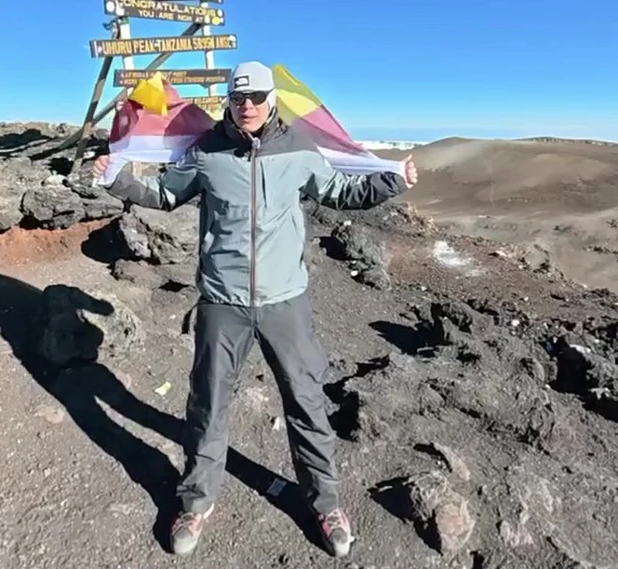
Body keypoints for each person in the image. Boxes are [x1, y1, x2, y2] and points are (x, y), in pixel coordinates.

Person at [92, 60, 418, 558]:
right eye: (238, 97)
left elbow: (342, 192)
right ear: (229, 100)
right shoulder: (206, 150)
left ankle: (326, 504)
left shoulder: (299, 148)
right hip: (223, 301)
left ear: (272, 99)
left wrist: (393, 180)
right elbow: (164, 194)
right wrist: (116, 178)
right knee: (208, 404)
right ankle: (196, 502)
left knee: (306, 401)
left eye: (256, 97)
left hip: (285, 300)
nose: (247, 106)